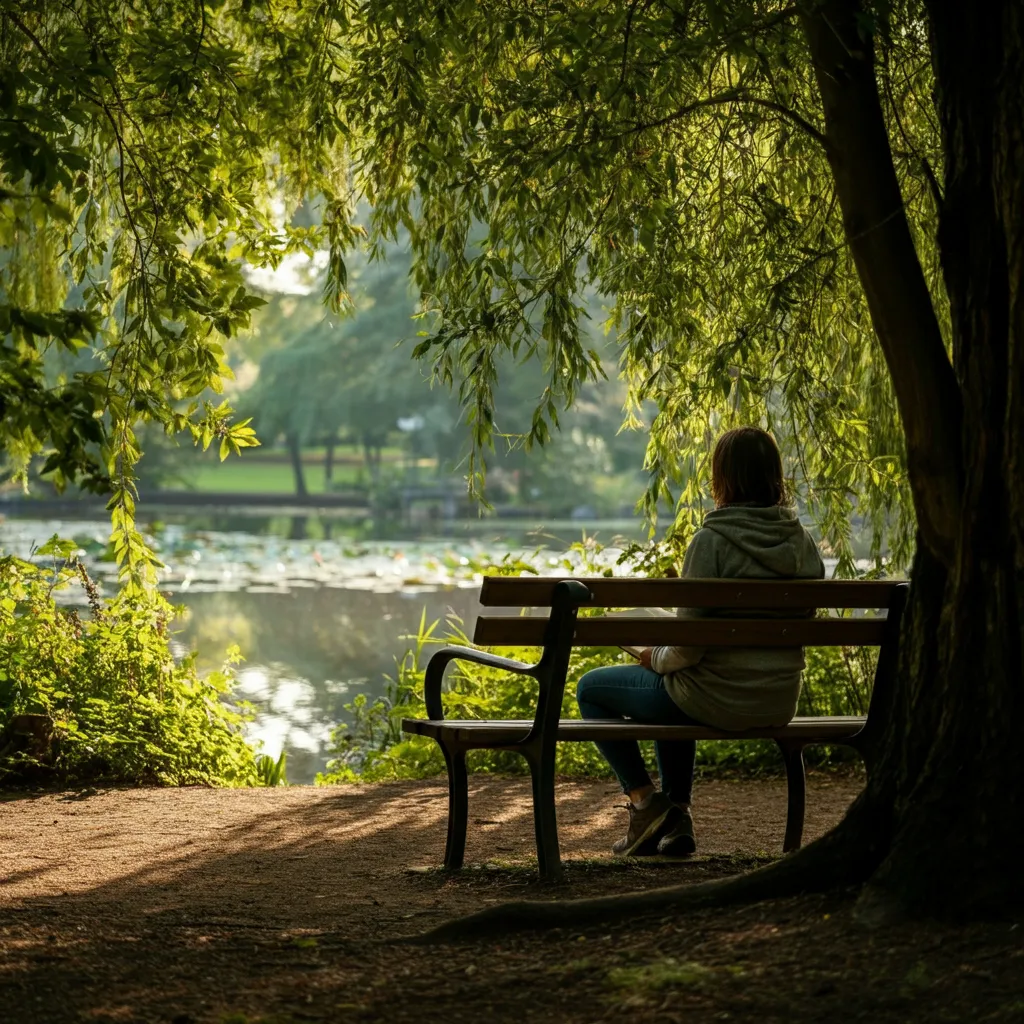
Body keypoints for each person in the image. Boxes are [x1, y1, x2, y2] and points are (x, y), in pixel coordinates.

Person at [576, 426, 825, 857]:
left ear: (722, 478)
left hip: (713, 698)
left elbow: (687, 650)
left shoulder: (712, 540)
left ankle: (646, 804)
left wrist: (652, 655)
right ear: (774, 476)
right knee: (680, 683)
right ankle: (678, 820)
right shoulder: (802, 542)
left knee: (591, 690)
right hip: (778, 700)